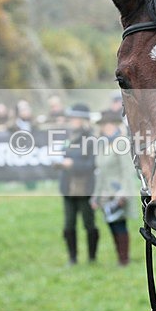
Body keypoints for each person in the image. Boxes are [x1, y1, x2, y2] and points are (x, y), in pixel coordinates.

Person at [90, 109, 135, 266]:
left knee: (120, 225)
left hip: (118, 192)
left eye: (109, 124)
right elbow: (100, 173)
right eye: (104, 125)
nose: (106, 128)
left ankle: (124, 259)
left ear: (115, 125)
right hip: (105, 193)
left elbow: (127, 171)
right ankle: (120, 257)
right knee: (112, 224)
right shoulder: (103, 144)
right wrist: (96, 196)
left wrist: (123, 194)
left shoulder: (121, 142)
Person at [57, 103, 98, 264]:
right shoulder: (68, 137)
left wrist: (72, 164)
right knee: (68, 225)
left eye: (76, 117)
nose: (73, 120)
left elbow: (91, 165)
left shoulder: (90, 139)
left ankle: (92, 258)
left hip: (85, 187)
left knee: (89, 224)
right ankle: (72, 258)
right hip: (68, 187)